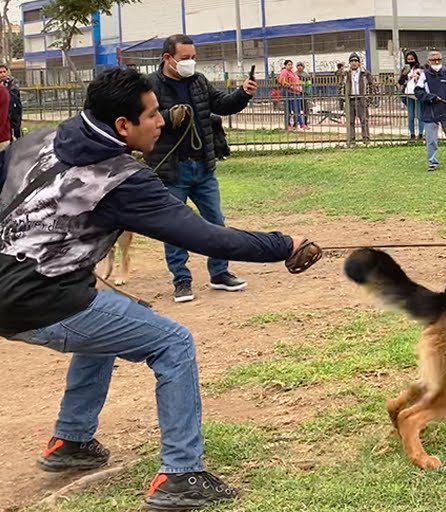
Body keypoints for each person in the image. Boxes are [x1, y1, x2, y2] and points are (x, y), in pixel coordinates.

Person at [0, 67, 303, 509]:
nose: (162, 121)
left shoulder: (42, 140)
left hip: (26, 291)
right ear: (123, 125)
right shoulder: (121, 178)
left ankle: (72, 442)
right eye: (153, 113)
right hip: (39, 301)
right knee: (172, 342)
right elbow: (206, 237)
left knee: (105, 323)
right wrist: (283, 245)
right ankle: (181, 475)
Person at [148, 34, 258, 303]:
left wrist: (243, 94)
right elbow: (142, 122)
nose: (190, 63)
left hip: (203, 167)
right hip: (171, 170)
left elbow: (221, 104)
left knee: (216, 221)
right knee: (174, 227)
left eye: (193, 58)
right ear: (168, 58)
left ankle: (220, 273)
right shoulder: (149, 86)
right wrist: (166, 117)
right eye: (185, 59)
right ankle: (181, 280)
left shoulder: (198, 82)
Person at [416, 50, 446, 171]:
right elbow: (418, 92)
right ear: (429, 61)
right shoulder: (424, 75)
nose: (436, 61)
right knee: (431, 140)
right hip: (430, 111)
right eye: (434, 60)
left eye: (439, 59)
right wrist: (431, 97)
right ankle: (433, 162)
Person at [342, 53, 372, 142]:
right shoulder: (346, 74)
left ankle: (366, 138)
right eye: (351, 61)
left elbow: (371, 85)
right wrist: (343, 99)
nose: (354, 63)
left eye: (355, 61)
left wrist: (369, 98)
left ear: (359, 62)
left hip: (361, 99)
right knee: (350, 121)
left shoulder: (365, 73)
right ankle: (351, 139)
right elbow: (341, 85)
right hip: (350, 100)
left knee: (364, 120)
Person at [398, 51, 424, 139]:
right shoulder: (405, 69)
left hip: (418, 94)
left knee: (420, 115)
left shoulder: (420, 68)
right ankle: (412, 134)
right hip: (408, 93)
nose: (410, 61)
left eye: (412, 59)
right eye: (408, 59)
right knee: (411, 115)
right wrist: (404, 74)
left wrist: (417, 75)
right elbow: (400, 82)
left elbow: (423, 79)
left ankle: (420, 133)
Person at [276, 60, 306, 131]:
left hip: (297, 92)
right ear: (285, 65)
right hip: (289, 92)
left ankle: (300, 124)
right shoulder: (284, 72)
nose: (290, 66)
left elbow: (297, 81)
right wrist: (291, 86)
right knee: (289, 109)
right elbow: (282, 81)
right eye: (289, 64)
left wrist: (299, 88)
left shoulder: (293, 73)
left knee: (298, 109)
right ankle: (289, 124)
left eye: (291, 64)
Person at [0, 64, 21, 140]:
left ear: (7, 72)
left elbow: (13, 93)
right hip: (4, 111)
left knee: (16, 130)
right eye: (0, 72)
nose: (2, 74)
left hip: (14, 110)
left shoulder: (13, 82)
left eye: (4, 72)